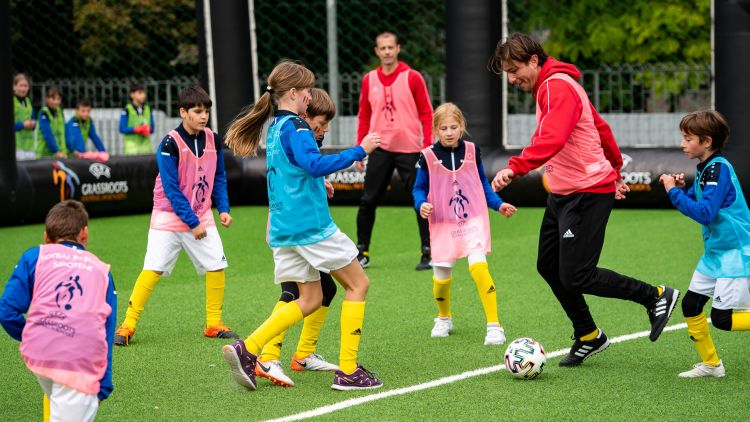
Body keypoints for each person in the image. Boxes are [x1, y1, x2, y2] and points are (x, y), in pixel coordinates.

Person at [490, 33, 679, 366]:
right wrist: (617, 167)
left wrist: (515, 167)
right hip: (565, 192)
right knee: (548, 266)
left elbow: (553, 138)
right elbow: (600, 127)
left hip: (586, 192)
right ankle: (589, 334)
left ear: (534, 61)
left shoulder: (556, 87)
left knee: (577, 274)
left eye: (515, 69)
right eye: (507, 72)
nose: (512, 78)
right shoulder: (550, 86)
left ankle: (656, 296)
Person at [222, 60, 383, 391]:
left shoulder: (276, 128)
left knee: (310, 298)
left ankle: (248, 347)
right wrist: (359, 150)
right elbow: (312, 164)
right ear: (294, 93)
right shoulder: (296, 127)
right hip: (310, 226)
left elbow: (293, 172)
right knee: (358, 284)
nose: (311, 96)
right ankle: (349, 371)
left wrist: (315, 184)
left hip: (283, 228)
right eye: (308, 90)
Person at [113, 85, 236, 346]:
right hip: (169, 216)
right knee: (153, 268)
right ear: (183, 112)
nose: (204, 116)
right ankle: (128, 325)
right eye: (197, 111)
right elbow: (171, 188)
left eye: (206, 112)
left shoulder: (213, 139)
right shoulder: (169, 143)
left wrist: (223, 208)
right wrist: (191, 222)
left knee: (217, 264)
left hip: (201, 214)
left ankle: (213, 323)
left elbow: (219, 176)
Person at [255, 88, 341, 388]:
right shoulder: (294, 129)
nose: (325, 129)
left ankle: (303, 354)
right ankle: (266, 355)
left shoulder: (298, 132)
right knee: (292, 293)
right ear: (305, 114)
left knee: (326, 289)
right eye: (321, 122)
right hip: (289, 228)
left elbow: (301, 174)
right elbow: (286, 178)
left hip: (295, 227)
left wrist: (321, 183)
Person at [0, 200, 116, 422]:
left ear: (46, 237)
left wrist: (32, 334)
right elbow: (106, 330)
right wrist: (104, 383)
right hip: (77, 360)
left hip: (37, 354)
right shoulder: (102, 271)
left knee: (58, 397)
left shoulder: (34, 256)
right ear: (85, 234)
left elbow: (6, 311)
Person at [414, 102, 517, 345]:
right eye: (443, 128)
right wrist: (421, 205)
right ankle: (443, 318)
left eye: (453, 127)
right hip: (442, 224)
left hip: (473, 219)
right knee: (441, 279)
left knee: (479, 268)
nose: (449, 132)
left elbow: (481, 183)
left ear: (462, 127)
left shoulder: (472, 150)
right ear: (436, 130)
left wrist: (498, 204)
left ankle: (494, 326)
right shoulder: (426, 156)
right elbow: (419, 188)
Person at [658, 110, 750, 378]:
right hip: (716, 252)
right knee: (691, 305)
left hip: (735, 252)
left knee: (722, 319)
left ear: (706, 141)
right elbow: (702, 204)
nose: (682, 144)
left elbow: (705, 213)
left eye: (687, 139)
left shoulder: (718, 169)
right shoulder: (706, 168)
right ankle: (712, 365)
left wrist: (672, 192)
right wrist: (683, 189)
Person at [355, 31, 434, 271]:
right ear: (377, 51)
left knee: (420, 200)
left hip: (411, 149)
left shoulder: (413, 77)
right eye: (383, 48)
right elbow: (364, 116)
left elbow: (426, 113)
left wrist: (428, 147)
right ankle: (362, 251)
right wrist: (361, 148)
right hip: (380, 148)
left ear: (398, 48)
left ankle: (429, 252)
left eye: (391, 47)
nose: (387, 52)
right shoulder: (369, 80)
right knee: (368, 200)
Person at [119, 83, 155, 155]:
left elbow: (152, 128)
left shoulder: (148, 109)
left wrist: (147, 129)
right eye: (140, 93)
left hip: (146, 149)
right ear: (132, 95)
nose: (143, 95)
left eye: (143, 93)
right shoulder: (127, 110)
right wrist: (136, 129)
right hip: (132, 150)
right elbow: (122, 128)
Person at [36, 86, 67, 159]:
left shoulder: (60, 112)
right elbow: (47, 134)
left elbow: (64, 133)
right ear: (47, 99)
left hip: (60, 154)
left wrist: (64, 151)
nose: (56, 102)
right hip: (45, 155)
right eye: (53, 98)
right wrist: (56, 151)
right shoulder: (44, 113)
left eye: (58, 99)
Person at [13, 73, 37, 160]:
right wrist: (23, 125)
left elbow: (33, 118)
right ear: (14, 87)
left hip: (29, 147)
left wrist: (33, 123)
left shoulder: (28, 101)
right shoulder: (10, 101)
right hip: (16, 147)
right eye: (21, 86)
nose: (23, 88)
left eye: (25, 86)